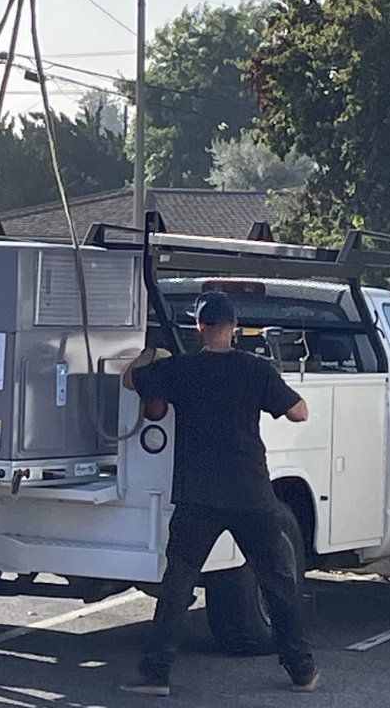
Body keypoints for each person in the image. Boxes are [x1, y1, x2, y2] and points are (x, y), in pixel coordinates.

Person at [120, 290, 318, 697]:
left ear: (199, 327)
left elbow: (133, 384)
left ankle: (155, 673)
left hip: (199, 495)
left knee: (178, 584)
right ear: (234, 328)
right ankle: (302, 671)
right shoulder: (256, 369)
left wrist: (145, 355)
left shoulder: (181, 370)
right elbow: (300, 412)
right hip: (251, 492)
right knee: (277, 581)